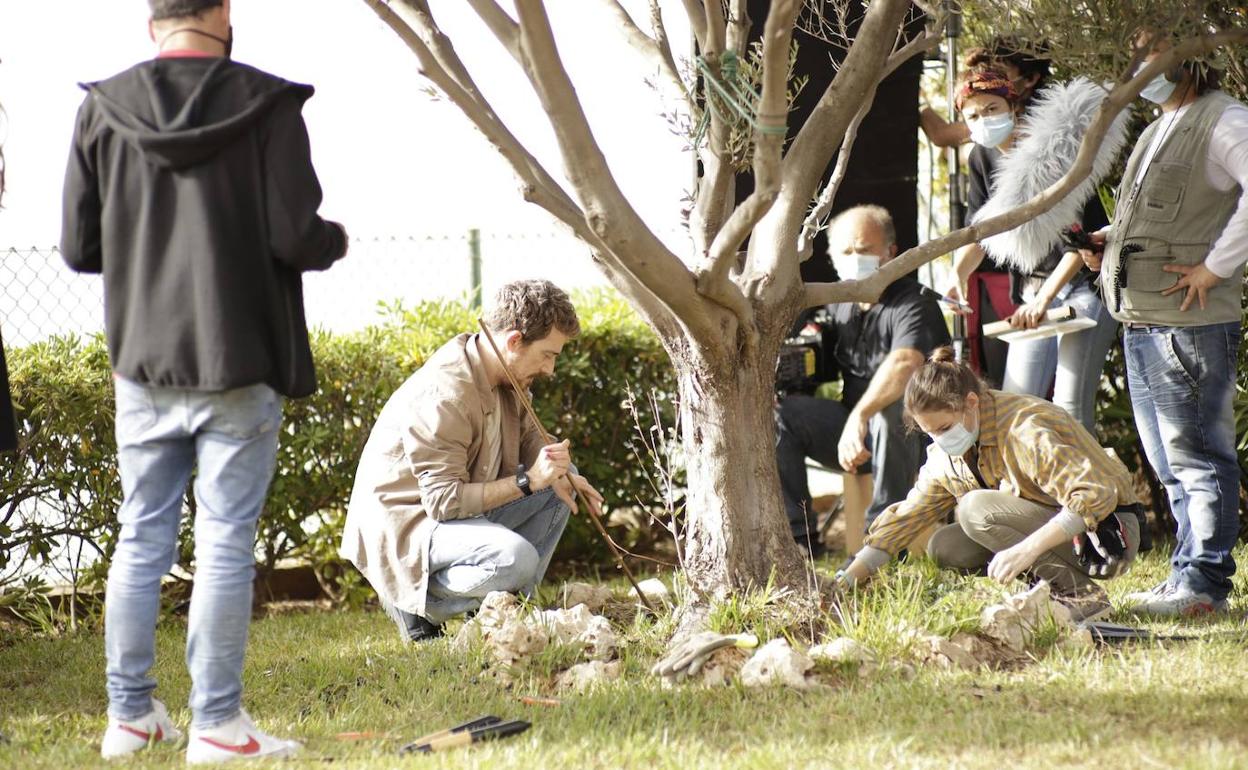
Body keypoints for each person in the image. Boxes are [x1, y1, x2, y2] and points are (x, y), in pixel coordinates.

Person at [60, 0, 348, 761]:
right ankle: (217, 725)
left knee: (140, 535)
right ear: (224, 11)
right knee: (224, 540)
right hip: (240, 356)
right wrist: (335, 240)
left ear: (150, 19)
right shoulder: (270, 105)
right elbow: (297, 236)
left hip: (143, 362)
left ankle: (130, 718)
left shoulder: (102, 109)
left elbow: (79, 247)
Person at [1082, 36, 1248, 617]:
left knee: (1197, 458)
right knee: (1169, 463)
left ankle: (1204, 585)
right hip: (1142, 319)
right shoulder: (1158, 126)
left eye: (1150, 54)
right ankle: (1186, 576)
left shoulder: (1225, 118)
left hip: (1189, 324)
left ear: (1187, 55)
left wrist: (1216, 267)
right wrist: (1106, 242)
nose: (1138, 67)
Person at [340, 280, 603, 642]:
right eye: (547, 355)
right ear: (514, 341)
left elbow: (529, 435)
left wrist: (552, 465)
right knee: (516, 558)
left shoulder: (504, 372)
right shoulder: (446, 396)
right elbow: (444, 502)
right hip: (411, 526)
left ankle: (506, 614)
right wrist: (529, 481)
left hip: (453, 513)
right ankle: (417, 600)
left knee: (563, 480)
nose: (550, 369)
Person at [837, 348, 1142, 622]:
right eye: (929, 433)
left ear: (971, 403)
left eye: (944, 428)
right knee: (944, 546)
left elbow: (1094, 494)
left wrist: (1026, 550)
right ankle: (1050, 592)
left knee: (975, 510)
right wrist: (847, 580)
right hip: (1055, 528)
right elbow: (907, 518)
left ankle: (1084, 597)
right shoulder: (948, 452)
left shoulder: (1023, 428)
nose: (940, 439)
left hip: (1108, 534)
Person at [946, 66, 1115, 431]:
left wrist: (1044, 299)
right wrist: (958, 275)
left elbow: (1081, 241)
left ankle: (1082, 471)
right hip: (1033, 293)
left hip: (1083, 285)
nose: (983, 120)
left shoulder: (1049, 151)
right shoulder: (980, 158)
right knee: (1017, 405)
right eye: (973, 115)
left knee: (1070, 408)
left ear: (1013, 106)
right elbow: (982, 232)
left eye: (991, 109)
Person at [775, 205, 950, 557]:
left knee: (891, 412)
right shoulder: (839, 304)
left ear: (891, 252)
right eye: (846, 252)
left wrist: (861, 415)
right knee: (782, 415)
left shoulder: (914, 302)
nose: (855, 259)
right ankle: (800, 540)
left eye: (865, 249)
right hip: (855, 432)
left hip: (919, 436)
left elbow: (905, 363)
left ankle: (881, 540)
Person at [920, 37, 1051, 149]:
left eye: (1000, 72)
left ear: (1030, 78)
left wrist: (920, 102)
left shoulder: (1047, 123)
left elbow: (941, 135)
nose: (989, 78)